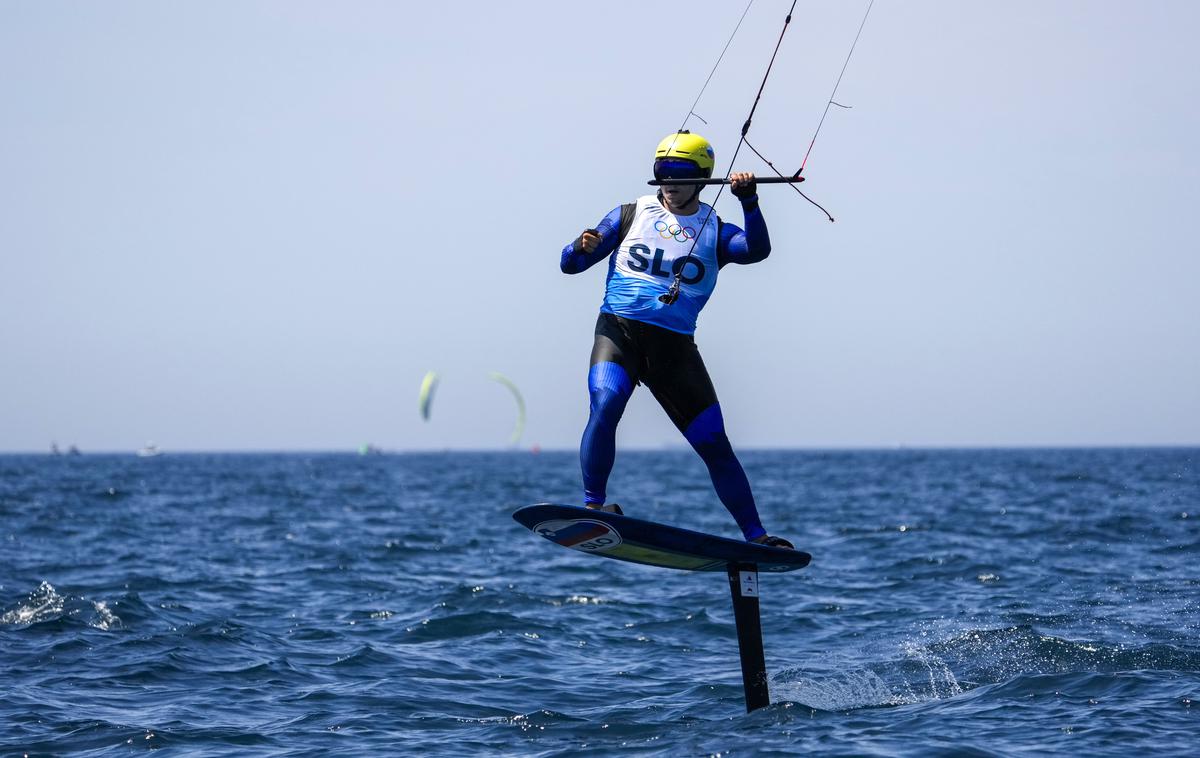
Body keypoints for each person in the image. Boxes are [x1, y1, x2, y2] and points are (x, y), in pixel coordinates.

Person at [559, 130, 794, 549]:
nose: (670, 181)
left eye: (681, 173)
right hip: (619, 332)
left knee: (714, 444)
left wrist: (750, 201)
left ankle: (757, 536)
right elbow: (570, 266)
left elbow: (756, 250)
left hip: (674, 350)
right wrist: (580, 246)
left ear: (703, 179)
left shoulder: (716, 231)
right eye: (663, 171)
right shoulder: (630, 215)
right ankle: (593, 506)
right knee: (606, 404)